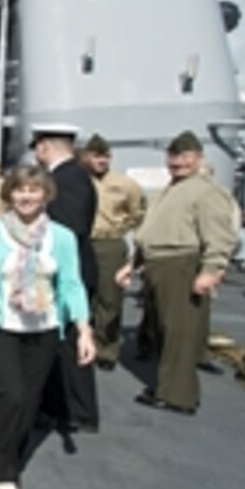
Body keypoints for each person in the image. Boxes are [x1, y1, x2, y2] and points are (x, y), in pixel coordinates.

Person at [0, 165, 95, 489]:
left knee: (29, 401)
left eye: (34, 189)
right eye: (19, 189)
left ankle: (10, 453)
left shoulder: (62, 237)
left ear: (46, 195)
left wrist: (84, 330)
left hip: (43, 328)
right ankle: (3, 470)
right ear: (9, 194)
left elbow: (71, 284)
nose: (26, 196)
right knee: (12, 394)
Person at [116, 131, 237, 415]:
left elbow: (219, 235)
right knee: (164, 330)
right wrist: (132, 265)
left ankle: (178, 396)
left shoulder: (206, 191)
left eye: (185, 157)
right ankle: (167, 385)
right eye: (173, 156)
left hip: (180, 264)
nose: (178, 162)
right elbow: (150, 232)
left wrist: (211, 270)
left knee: (178, 333)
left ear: (198, 159)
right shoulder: (171, 189)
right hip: (158, 264)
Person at [31, 123, 100, 432]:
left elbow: (69, 233)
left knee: (70, 346)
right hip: (60, 274)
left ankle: (78, 412)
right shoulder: (72, 176)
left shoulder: (67, 180)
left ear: (44, 147)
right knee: (59, 344)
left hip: (65, 276)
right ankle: (60, 406)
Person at [81, 134, 144, 370]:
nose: (101, 160)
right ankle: (83, 341)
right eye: (96, 156)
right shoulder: (79, 181)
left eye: (105, 156)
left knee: (110, 298)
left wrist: (120, 228)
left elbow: (138, 212)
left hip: (109, 243)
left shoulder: (125, 184)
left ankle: (107, 349)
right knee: (82, 295)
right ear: (86, 157)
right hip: (84, 241)